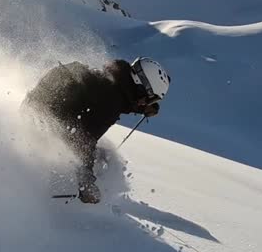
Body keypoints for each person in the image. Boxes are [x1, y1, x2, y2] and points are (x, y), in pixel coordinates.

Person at [22, 57, 170, 203]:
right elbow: (83, 140)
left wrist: (143, 108)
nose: (148, 103)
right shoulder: (111, 103)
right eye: (150, 99)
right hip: (44, 128)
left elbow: (124, 99)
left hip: (37, 113)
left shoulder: (111, 82)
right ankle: (38, 189)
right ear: (141, 87)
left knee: (100, 154)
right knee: (100, 156)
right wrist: (86, 183)